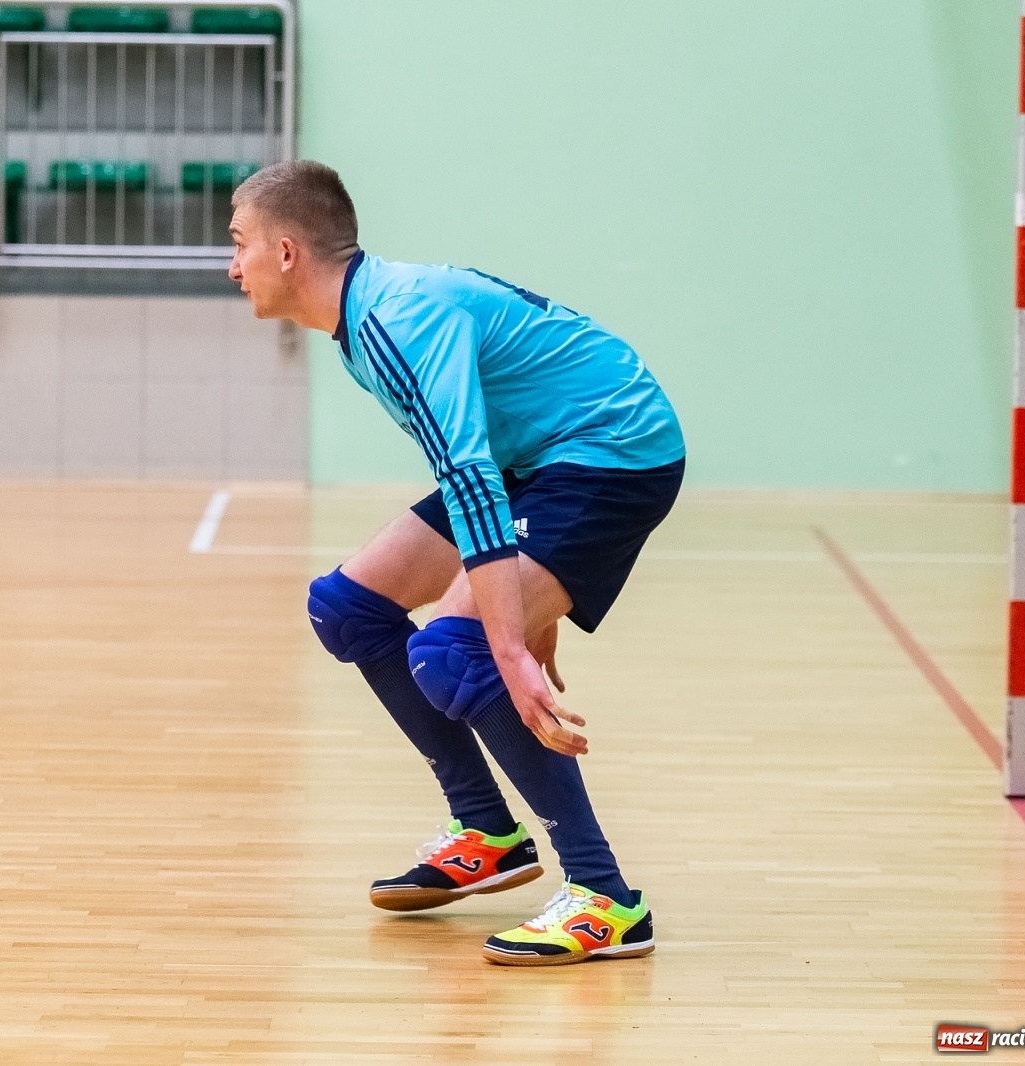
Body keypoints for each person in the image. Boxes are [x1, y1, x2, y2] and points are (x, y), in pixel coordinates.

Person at [227, 160, 684, 966]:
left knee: (456, 651)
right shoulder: (364, 321)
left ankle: (605, 898)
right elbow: (480, 467)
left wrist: (511, 638)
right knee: (348, 607)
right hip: (537, 459)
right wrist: (525, 600)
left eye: (239, 244)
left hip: (612, 453)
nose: (232, 266)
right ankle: (486, 831)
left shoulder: (396, 320)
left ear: (287, 252)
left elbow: (469, 476)